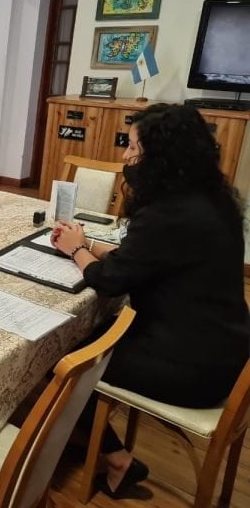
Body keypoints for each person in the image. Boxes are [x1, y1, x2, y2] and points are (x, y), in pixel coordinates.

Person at [51, 103, 250, 498]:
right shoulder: (213, 201)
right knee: (91, 334)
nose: (125, 155)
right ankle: (85, 433)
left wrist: (77, 252)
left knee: (61, 358)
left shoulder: (168, 212)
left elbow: (109, 280)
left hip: (191, 368)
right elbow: (146, 258)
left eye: (133, 146)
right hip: (224, 348)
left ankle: (116, 460)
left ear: (161, 154)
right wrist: (89, 243)